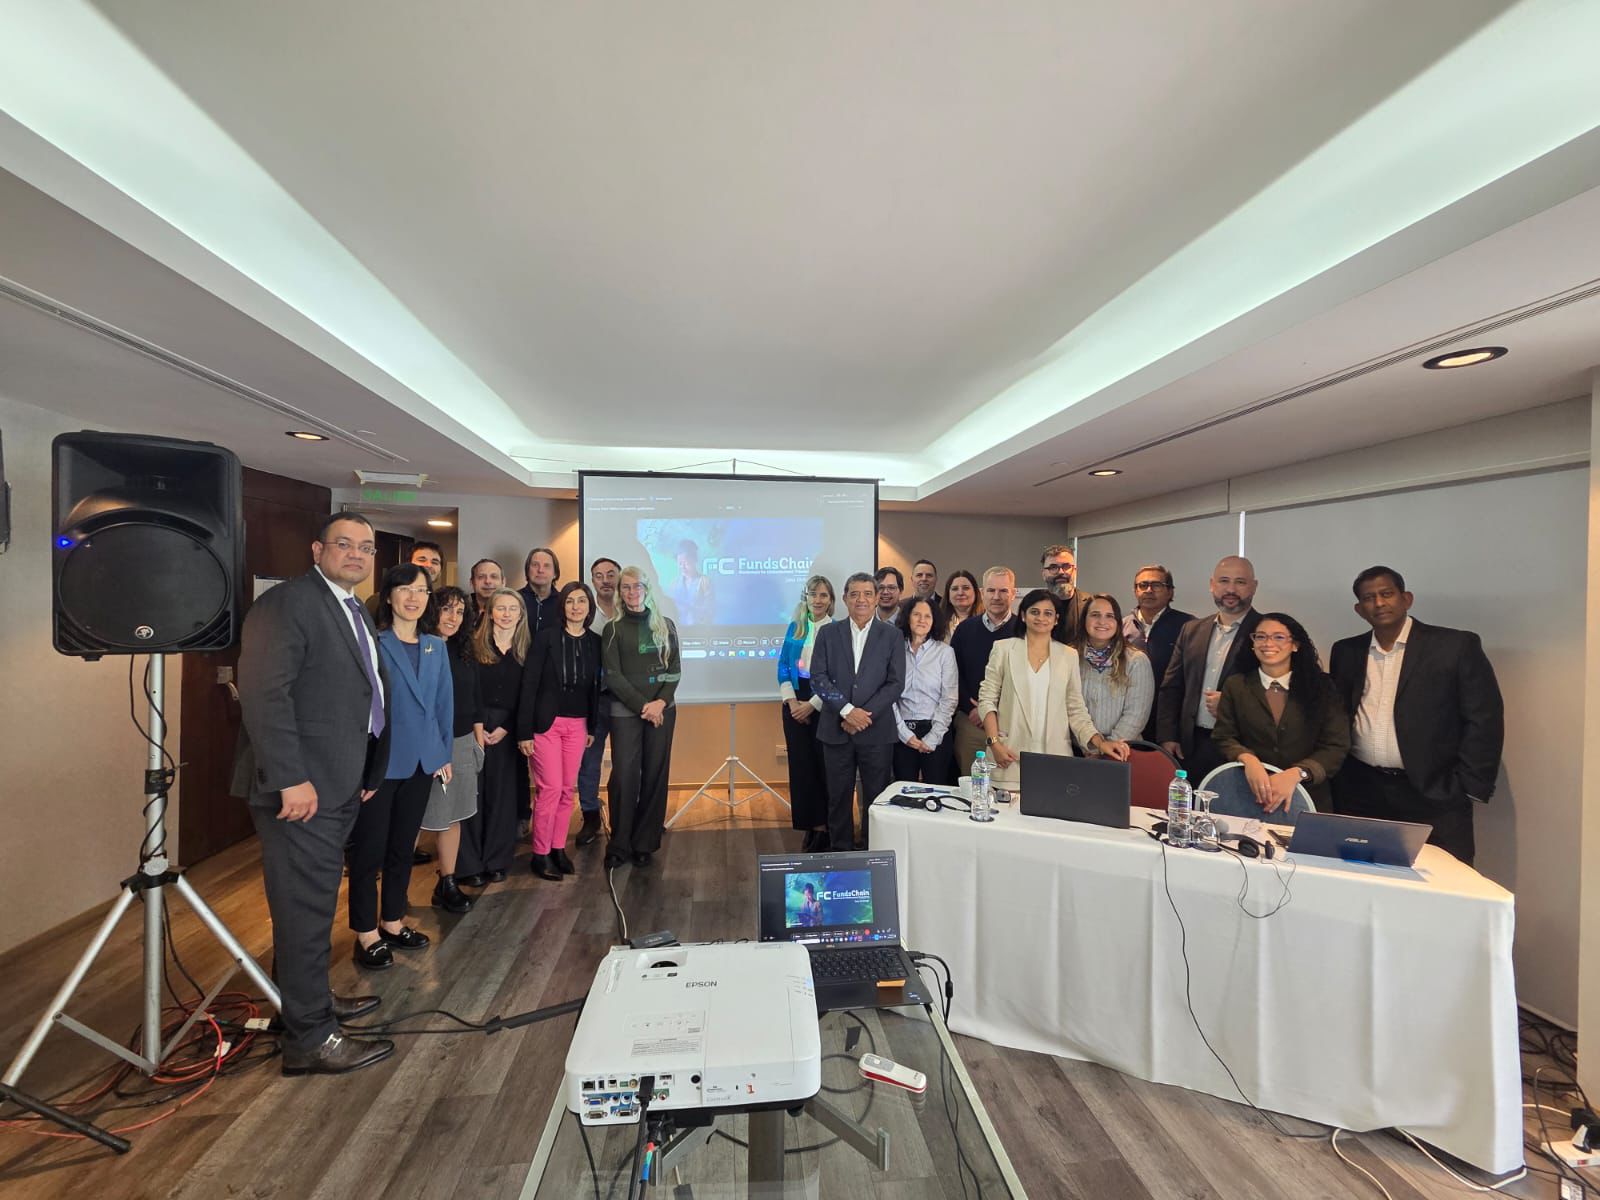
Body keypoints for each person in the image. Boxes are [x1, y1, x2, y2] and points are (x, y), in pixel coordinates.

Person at [230, 511, 393, 1075]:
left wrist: (366, 769)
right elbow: (263, 694)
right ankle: (311, 1039)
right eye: (344, 544)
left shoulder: (351, 608)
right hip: (301, 787)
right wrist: (289, 777)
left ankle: (303, 1005)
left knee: (312, 903)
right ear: (317, 550)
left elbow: (359, 694)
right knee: (303, 908)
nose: (356, 554)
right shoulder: (288, 604)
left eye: (366, 547)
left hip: (337, 779)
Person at [1328, 567, 1504, 864]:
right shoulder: (1346, 651)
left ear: (1406, 598)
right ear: (1359, 609)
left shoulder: (1454, 646)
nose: (1379, 603)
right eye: (1369, 598)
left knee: (1443, 878)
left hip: (1434, 791)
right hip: (1361, 791)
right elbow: (1339, 715)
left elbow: (1484, 718)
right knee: (1365, 874)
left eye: (1387, 594)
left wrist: (1468, 786)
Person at [350, 565, 453, 970]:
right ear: (389, 595)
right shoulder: (374, 644)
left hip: (423, 762)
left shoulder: (435, 646)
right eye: (405, 589)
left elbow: (443, 705)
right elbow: (361, 710)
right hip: (382, 764)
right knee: (369, 850)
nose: (413, 597)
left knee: (402, 848)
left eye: (422, 590)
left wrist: (442, 753)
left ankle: (391, 921)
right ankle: (365, 932)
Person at [977, 589, 1127, 788]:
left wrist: (1100, 743)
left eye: (1048, 613)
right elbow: (987, 699)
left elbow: (1076, 710)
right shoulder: (1003, 649)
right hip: (1009, 755)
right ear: (1023, 615)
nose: (1041, 618)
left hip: (1055, 758)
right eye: (1034, 612)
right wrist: (994, 743)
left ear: (1056, 619)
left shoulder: (1068, 655)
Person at [1211, 613, 1349, 812]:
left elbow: (1336, 745)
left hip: (1308, 797)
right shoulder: (1236, 685)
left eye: (1278, 637)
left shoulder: (1322, 686)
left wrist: (1298, 773)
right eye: (1260, 636)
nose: (1268, 643)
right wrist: (1247, 758)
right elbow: (1224, 737)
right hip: (1249, 795)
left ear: (1295, 645)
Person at [810, 573, 906, 852]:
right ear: (844, 599)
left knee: (876, 798)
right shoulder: (828, 633)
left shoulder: (892, 635)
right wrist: (847, 711)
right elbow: (818, 678)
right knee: (838, 797)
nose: (860, 599)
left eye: (867, 594)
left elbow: (895, 683)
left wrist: (863, 716)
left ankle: (872, 852)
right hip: (835, 729)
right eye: (854, 594)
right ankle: (840, 851)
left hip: (876, 732)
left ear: (876, 599)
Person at [517, 581, 602, 880]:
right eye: (570, 601)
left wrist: (592, 726)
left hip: (579, 725)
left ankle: (557, 848)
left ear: (589, 607)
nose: (576, 607)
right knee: (550, 789)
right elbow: (529, 685)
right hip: (546, 725)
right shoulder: (546, 638)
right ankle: (540, 854)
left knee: (567, 790)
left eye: (582, 601)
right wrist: (524, 731)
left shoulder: (595, 642)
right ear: (562, 606)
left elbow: (594, 688)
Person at [601, 566, 682, 868]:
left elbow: (674, 669)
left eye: (637, 586)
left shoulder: (666, 625)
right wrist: (644, 707)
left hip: (663, 710)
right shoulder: (613, 628)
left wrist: (660, 703)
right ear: (620, 592)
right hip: (626, 712)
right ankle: (619, 844)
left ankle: (645, 842)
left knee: (655, 774)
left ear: (647, 590)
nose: (632, 592)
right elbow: (613, 676)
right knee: (624, 775)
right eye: (626, 587)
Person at [1156, 556, 1262, 781]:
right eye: (1224, 581)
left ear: (1254, 586)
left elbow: (1277, 694)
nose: (1231, 589)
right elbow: (1172, 687)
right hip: (1190, 744)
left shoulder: (1266, 633)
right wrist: (1168, 735)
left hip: (1243, 747)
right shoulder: (1191, 630)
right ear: (1212, 585)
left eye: (1240, 582)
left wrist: (1234, 703)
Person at [456, 587, 526, 886]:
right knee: (471, 795)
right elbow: (466, 689)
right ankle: (468, 864)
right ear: (489, 612)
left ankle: (497, 860)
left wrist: (506, 727)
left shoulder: (527, 650)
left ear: (521, 614)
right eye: (501, 608)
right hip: (474, 724)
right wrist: (478, 727)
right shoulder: (472, 646)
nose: (507, 614)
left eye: (513, 608)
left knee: (502, 797)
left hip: (508, 728)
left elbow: (528, 696)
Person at [420, 585, 482, 915]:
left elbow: (474, 699)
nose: (453, 617)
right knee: (417, 819)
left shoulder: (462, 650)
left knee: (454, 816)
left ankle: (447, 882)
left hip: (461, 741)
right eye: (447, 609)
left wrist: (477, 741)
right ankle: (392, 898)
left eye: (459, 612)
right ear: (433, 610)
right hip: (427, 745)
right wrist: (433, 751)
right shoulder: (419, 647)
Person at [778, 574, 835, 851]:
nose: (818, 600)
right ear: (806, 598)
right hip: (794, 704)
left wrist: (812, 705)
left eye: (823, 595)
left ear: (831, 600)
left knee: (823, 768)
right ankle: (809, 826)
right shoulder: (795, 627)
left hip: (823, 705)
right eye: (813, 594)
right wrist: (792, 703)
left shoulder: (836, 631)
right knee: (801, 769)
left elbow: (837, 676)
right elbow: (783, 667)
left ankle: (825, 828)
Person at [949, 567, 1019, 777]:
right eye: (991, 590)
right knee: (972, 784)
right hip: (971, 722)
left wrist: (991, 710)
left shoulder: (1024, 630)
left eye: (1003, 591)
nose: (996, 596)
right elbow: (953, 675)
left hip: (1010, 723)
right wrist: (973, 709)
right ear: (982, 593)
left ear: (1013, 593)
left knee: (1009, 784)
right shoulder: (964, 630)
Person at [573, 556, 621, 847]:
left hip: (626, 699)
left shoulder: (631, 609)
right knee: (589, 761)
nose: (605, 580)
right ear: (592, 581)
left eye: (610, 574)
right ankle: (590, 814)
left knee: (627, 761)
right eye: (599, 575)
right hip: (594, 699)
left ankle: (626, 816)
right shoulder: (585, 615)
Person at [1121, 564, 1194, 742]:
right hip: (1128, 718)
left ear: (1170, 592)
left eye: (1156, 585)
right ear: (1135, 591)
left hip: (1170, 720)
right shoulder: (1121, 627)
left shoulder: (1188, 626)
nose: (1149, 590)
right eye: (1143, 585)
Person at [1072, 593, 1154, 750]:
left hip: (1123, 750)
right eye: (1095, 615)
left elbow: (1136, 715)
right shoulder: (1070, 657)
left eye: (1110, 616)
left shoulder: (1136, 661)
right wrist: (1091, 745)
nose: (1102, 621)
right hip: (1078, 749)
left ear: (1117, 623)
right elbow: (1070, 708)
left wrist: (1108, 747)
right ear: (1084, 620)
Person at [892, 596, 958, 785]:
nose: (922, 620)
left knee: (936, 790)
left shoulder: (945, 652)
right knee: (904, 790)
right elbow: (889, 695)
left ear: (934, 620)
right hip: (902, 730)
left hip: (936, 729)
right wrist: (904, 734)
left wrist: (933, 737)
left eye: (927, 616)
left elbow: (950, 698)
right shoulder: (895, 650)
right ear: (907, 618)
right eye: (916, 615)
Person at [1041, 544, 1090, 644]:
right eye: (1053, 567)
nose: (1060, 572)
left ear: (1075, 571)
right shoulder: (1033, 606)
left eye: (1066, 566)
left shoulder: (1090, 605)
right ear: (1044, 574)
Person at [518, 547, 562, 639]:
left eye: (546, 566)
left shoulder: (564, 602)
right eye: (535, 565)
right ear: (527, 570)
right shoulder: (515, 599)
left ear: (555, 573)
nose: (540, 570)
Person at [668, 540, 715, 626]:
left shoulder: (705, 582)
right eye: (680, 563)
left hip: (699, 629)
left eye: (686, 563)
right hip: (678, 629)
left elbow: (710, 609)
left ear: (694, 560)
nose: (683, 567)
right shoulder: (674, 584)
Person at [468, 558, 504, 624]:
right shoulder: (461, 610)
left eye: (494, 576)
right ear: (472, 582)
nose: (488, 581)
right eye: (481, 577)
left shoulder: (514, 611)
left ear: (503, 582)